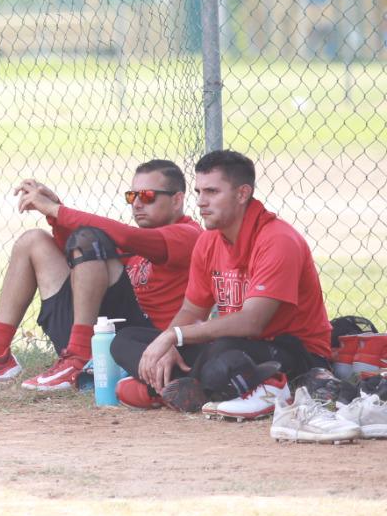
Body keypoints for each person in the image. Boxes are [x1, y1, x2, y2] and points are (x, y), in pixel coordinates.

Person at [113, 149, 336, 425]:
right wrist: (168, 344)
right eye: (198, 191)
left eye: (212, 192)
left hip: (292, 351)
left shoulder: (277, 239)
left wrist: (175, 336)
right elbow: (192, 309)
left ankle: (160, 389)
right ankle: (185, 387)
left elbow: (253, 322)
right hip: (236, 347)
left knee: (222, 354)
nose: (201, 202)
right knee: (125, 339)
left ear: (242, 194)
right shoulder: (208, 241)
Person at [0, 161, 201, 390]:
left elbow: (123, 236)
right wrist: (54, 212)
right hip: (102, 332)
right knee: (33, 240)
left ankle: (79, 356)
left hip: (141, 343)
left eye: (148, 195)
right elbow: (76, 250)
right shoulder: (140, 237)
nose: (138, 203)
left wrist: (56, 210)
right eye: (132, 196)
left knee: (91, 239)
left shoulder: (188, 235)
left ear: (177, 199)